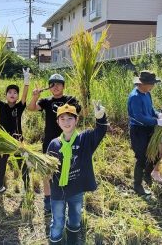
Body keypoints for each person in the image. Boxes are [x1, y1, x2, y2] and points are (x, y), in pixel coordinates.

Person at [47, 102, 107, 244]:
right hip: (58, 191)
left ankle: (72, 241)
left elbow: (100, 132)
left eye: (70, 118)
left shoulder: (85, 139)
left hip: (76, 190)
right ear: (57, 122)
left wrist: (101, 118)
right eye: (62, 119)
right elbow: (48, 168)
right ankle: (55, 241)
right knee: (57, 222)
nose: (66, 122)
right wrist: (35, 163)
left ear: (77, 120)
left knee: (75, 218)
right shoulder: (54, 144)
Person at [27, 73, 81, 212]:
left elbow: (81, 113)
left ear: (63, 86)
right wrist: (34, 96)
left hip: (68, 141)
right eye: (52, 84)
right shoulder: (46, 101)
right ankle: (47, 200)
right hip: (50, 141)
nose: (55, 87)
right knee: (47, 172)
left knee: (70, 170)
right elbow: (31, 108)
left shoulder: (70, 99)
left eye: (58, 84)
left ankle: (70, 199)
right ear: (49, 87)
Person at [127, 70, 162, 196]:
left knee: (155, 154)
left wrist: (158, 114)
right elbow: (138, 117)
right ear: (143, 83)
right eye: (151, 84)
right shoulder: (135, 97)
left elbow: (151, 110)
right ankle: (137, 185)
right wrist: (157, 122)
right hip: (138, 130)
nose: (153, 86)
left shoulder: (147, 94)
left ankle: (147, 174)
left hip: (149, 128)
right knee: (141, 157)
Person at [0, 68, 31, 194]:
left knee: (22, 162)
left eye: (15, 92)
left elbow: (25, 96)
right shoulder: (2, 106)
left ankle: (26, 186)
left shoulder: (19, 107)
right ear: (6, 95)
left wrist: (26, 81)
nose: (12, 94)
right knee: (2, 163)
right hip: (3, 141)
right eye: (10, 92)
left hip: (17, 140)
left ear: (17, 96)